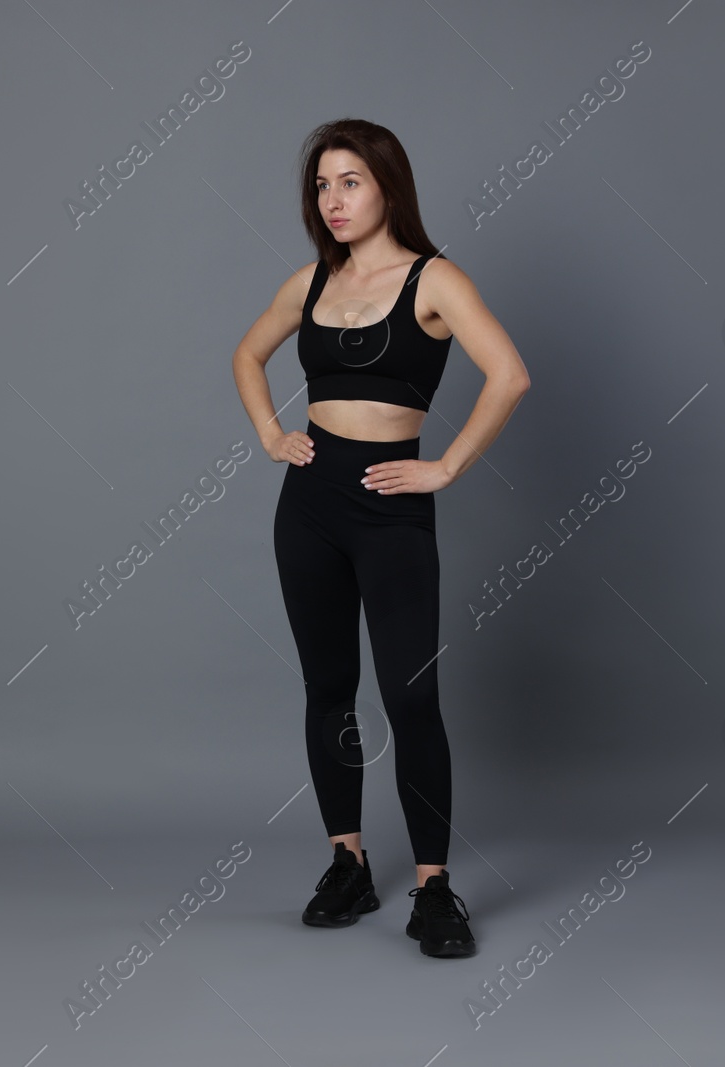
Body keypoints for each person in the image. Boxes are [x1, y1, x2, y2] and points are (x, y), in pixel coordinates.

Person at [231, 119, 530, 958]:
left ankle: (434, 886)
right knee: (329, 689)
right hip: (309, 506)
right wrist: (269, 434)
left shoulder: (435, 281)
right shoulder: (313, 281)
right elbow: (247, 356)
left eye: (350, 181)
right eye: (322, 185)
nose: (333, 199)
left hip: (391, 507)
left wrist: (447, 468)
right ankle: (347, 861)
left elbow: (510, 374)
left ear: (389, 186)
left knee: (409, 697)